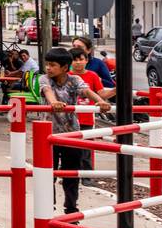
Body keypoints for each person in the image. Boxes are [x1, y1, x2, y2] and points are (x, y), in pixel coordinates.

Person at [40, 47, 113, 214]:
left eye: (52, 65)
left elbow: (87, 91)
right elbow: (47, 91)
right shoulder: (45, 79)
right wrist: (53, 103)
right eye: (47, 65)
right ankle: (47, 207)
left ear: (65, 67)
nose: (48, 68)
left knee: (71, 174)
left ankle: (71, 209)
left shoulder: (74, 80)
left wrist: (100, 101)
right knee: (47, 173)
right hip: (48, 134)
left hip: (71, 133)